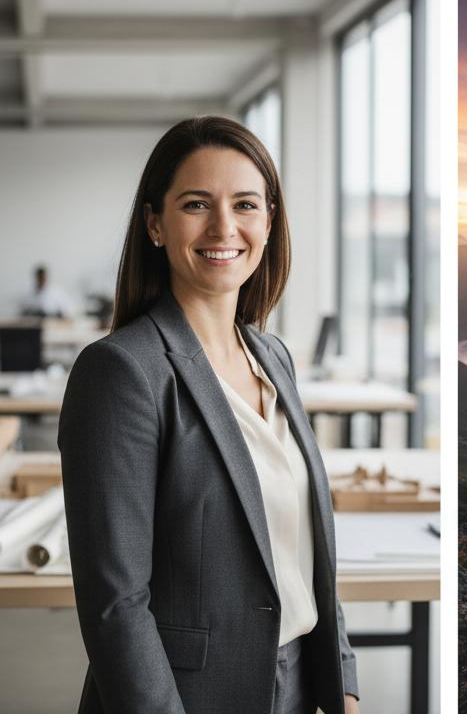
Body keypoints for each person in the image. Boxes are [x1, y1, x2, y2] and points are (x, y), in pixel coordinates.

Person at [59, 117, 360, 714]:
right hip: (186, 696)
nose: (224, 227)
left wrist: (343, 685)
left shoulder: (271, 356)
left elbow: (304, 549)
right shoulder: (122, 371)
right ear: (155, 224)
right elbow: (115, 604)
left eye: (245, 204)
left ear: (269, 222)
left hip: (300, 683)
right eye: (197, 204)